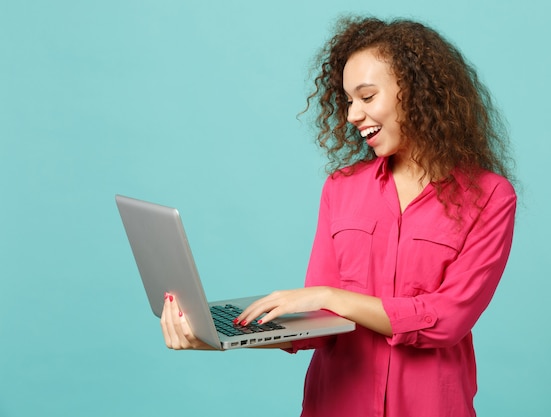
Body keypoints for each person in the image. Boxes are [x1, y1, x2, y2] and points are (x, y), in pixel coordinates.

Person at [161, 16, 517, 417]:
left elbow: (447, 319)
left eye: (366, 97)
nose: (352, 115)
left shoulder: (489, 197)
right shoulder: (341, 188)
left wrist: (330, 296)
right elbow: (319, 323)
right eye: (349, 101)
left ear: (415, 92)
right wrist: (222, 336)